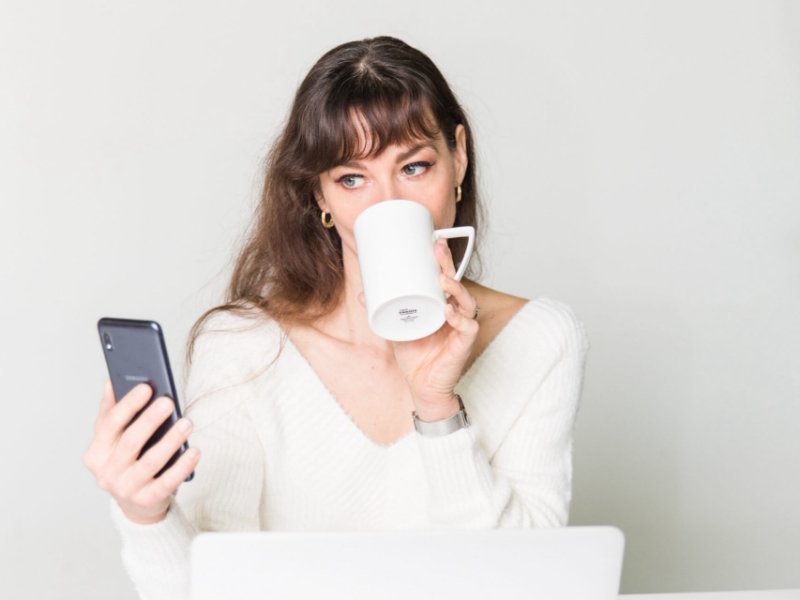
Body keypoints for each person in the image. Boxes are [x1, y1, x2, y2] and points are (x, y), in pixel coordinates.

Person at [83, 36, 589, 600]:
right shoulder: (245, 346)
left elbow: (534, 586)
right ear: (319, 193)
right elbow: (210, 586)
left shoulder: (540, 340)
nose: (388, 204)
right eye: (352, 178)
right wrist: (144, 513)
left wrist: (437, 408)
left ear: (460, 157)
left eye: (415, 167)